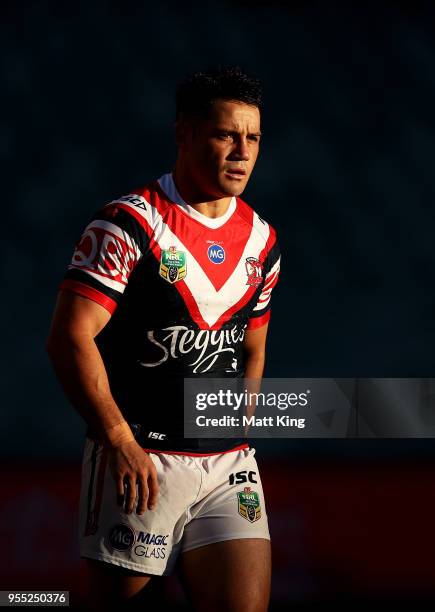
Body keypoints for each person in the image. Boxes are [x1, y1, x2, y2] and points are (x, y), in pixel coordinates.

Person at [46, 66, 280, 611]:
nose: (242, 151)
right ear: (185, 134)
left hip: (228, 466)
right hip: (140, 462)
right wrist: (119, 441)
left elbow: (254, 344)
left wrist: (239, 424)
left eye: (254, 138)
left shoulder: (264, 240)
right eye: (226, 135)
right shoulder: (127, 224)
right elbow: (69, 339)